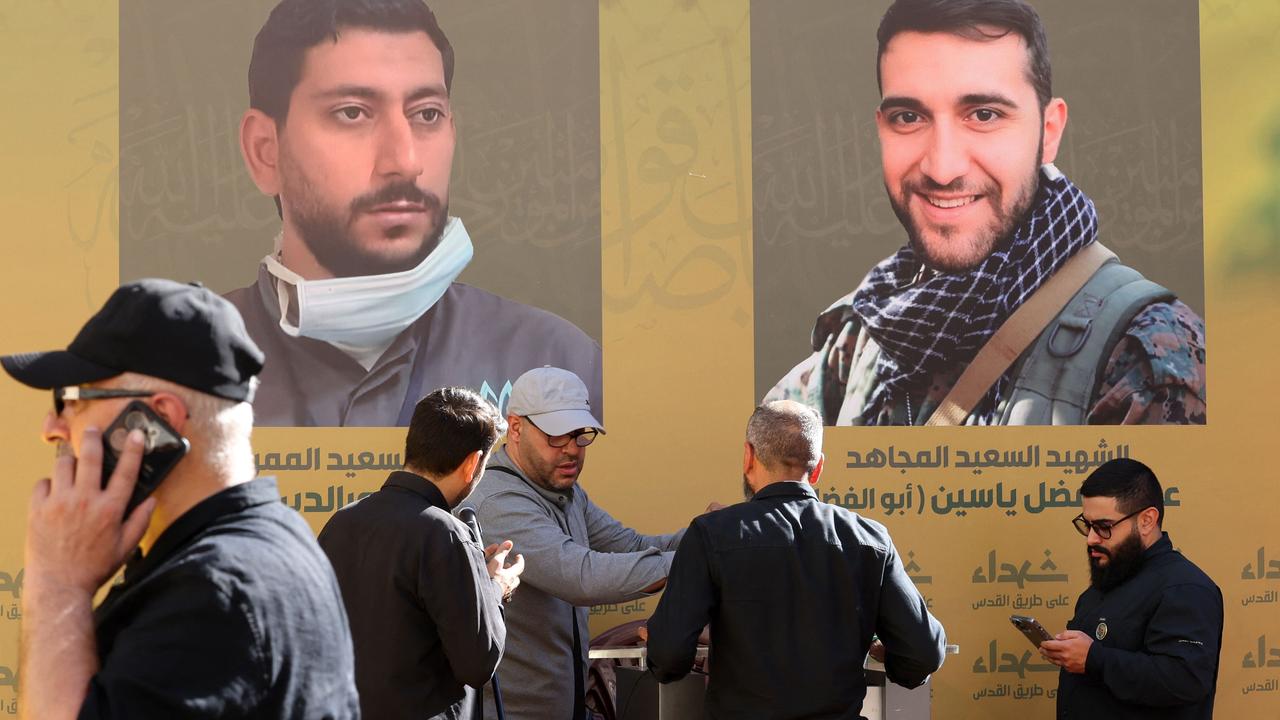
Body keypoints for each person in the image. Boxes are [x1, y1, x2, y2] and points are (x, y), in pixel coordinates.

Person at [766, 0, 1206, 426]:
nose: (943, 167)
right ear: (882, 130)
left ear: (1048, 132)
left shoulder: (1141, 351)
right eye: (908, 117)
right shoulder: (867, 332)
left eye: (983, 114)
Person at [230, 0, 602, 426]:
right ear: (266, 152)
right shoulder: (172, 368)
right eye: (352, 113)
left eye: (427, 114)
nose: (405, 161)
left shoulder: (557, 362)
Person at [0, 279, 359, 719]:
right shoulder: (271, 541)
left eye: (70, 399)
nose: (51, 427)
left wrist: (56, 585)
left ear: (155, 421)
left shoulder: (215, 593)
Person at [646, 400, 947, 718]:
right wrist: (894, 661)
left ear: (749, 457)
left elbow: (668, 656)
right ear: (817, 468)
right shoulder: (871, 539)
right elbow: (923, 653)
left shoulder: (711, 534)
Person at [459, 366, 708, 720]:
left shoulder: (567, 493)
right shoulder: (496, 501)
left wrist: (712, 534)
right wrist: (703, 561)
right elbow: (582, 578)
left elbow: (630, 545)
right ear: (515, 428)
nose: (573, 450)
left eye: (581, 435)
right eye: (557, 436)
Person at [319, 386, 524, 719]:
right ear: (473, 463)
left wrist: (474, 578)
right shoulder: (446, 534)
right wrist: (495, 589)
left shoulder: (341, 522)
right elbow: (477, 662)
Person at [1041, 458, 1223, 718]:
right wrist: (1070, 652)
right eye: (1087, 525)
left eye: (1103, 527)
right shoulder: (1103, 586)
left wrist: (1094, 659)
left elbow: (1185, 680)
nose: (1092, 538)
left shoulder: (1185, 588)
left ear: (1147, 520)